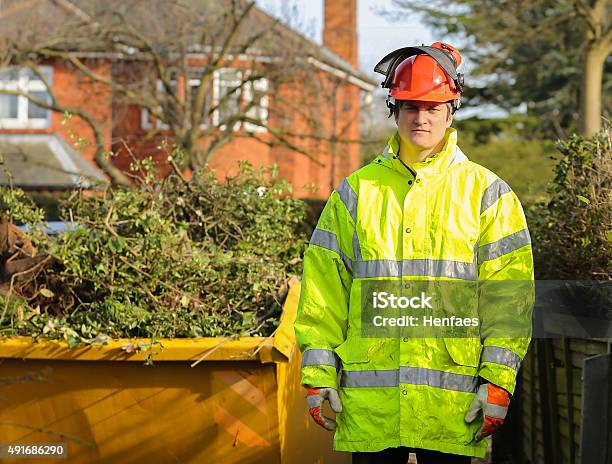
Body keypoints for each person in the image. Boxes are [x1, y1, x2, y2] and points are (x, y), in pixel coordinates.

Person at [294, 42, 534, 463]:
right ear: (394, 108)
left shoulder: (487, 196)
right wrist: (317, 375)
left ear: (450, 110)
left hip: (451, 405)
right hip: (372, 406)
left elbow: (508, 297)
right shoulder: (355, 194)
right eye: (409, 107)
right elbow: (323, 291)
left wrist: (498, 380)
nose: (420, 118)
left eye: (432, 107)